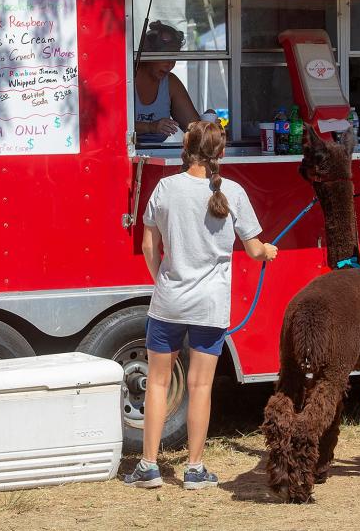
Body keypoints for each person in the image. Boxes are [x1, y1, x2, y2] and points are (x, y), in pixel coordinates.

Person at [124, 120, 279, 489]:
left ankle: (148, 466)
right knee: (200, 387)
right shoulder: (235, 193)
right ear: (221, 153)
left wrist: (161, 277)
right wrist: (267, 251)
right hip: (209, 307)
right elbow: (255, 249)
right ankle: (194, 469)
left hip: (168, 303)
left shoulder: (165, 188)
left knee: (158, 384)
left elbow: (149, 246)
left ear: (185, 149)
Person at [134, 21, 201, 144]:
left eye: (174, 57)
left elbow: (194, 128)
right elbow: (111, 125)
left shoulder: (171, 83)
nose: (170, 64)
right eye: (164, 56)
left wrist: (208, 125)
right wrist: (150, 127)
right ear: (147, 53)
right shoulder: (126, 78)